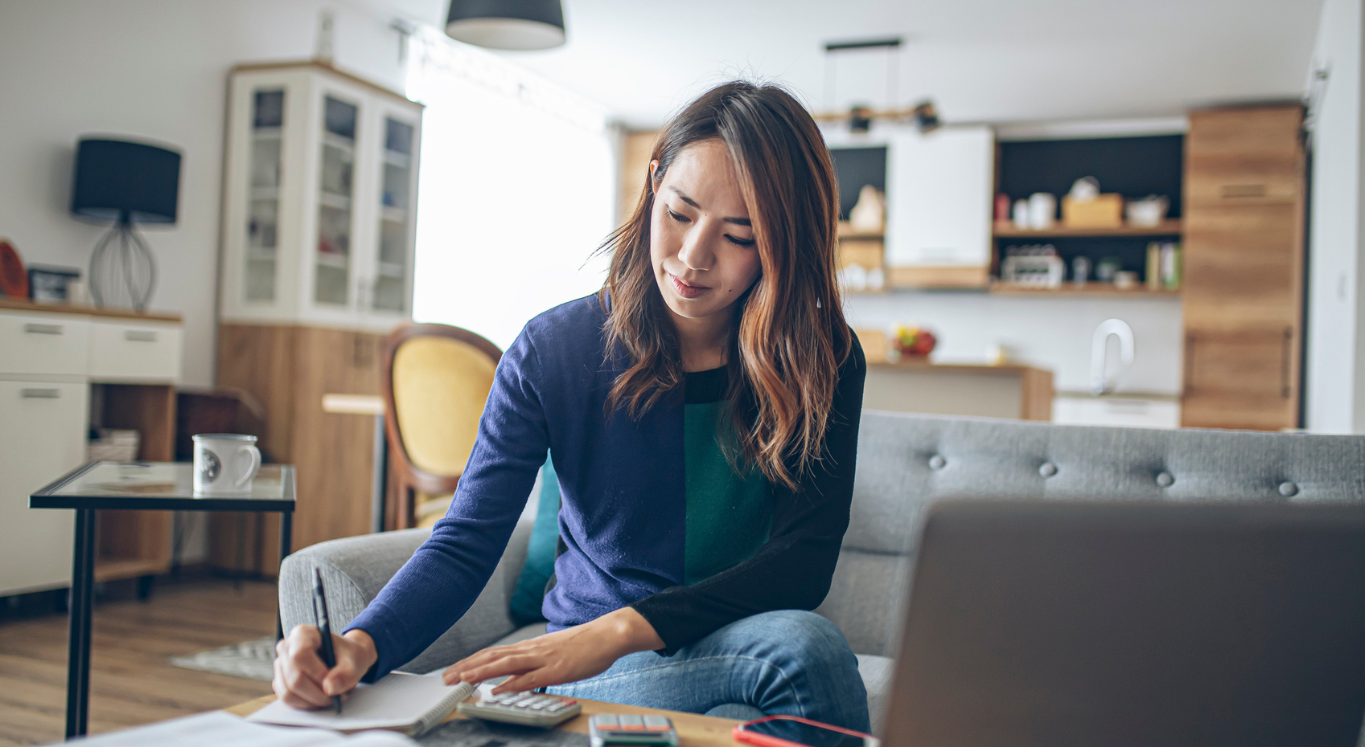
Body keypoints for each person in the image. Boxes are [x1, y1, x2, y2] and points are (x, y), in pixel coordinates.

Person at [273, 80, 870, 729]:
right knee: (799, 658)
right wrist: (358, 645)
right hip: (600, 664)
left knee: (787, 658)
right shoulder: (553, 349)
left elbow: (803, 561)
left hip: (722, 638)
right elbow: (466, 540)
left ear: (785, 243)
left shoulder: (821, 356)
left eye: (739, 235)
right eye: (679, 213)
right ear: (653, 181)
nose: (694, 257)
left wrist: (617, 628)